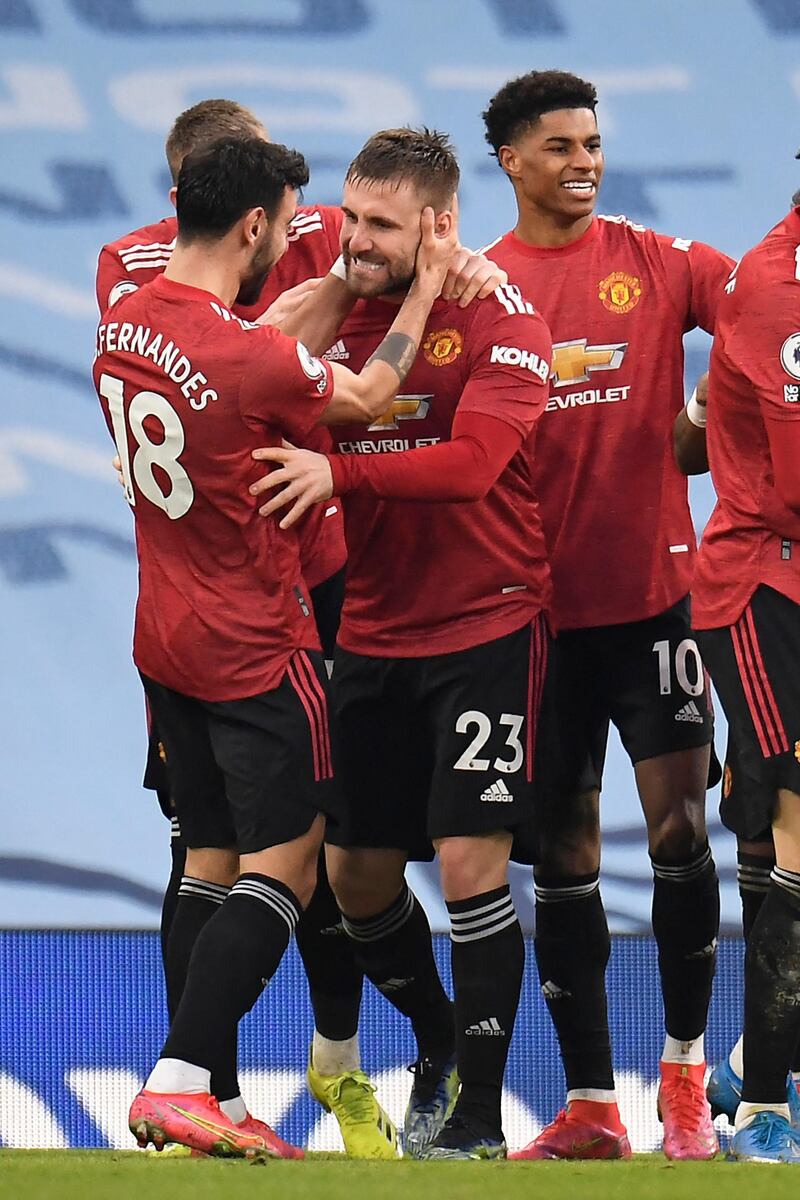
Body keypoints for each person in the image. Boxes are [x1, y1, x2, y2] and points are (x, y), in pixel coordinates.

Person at [97, 97, 506, 1158]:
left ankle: (222, 1100)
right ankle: (184, 1081)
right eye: (289, 221)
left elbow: (257, 341)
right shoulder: (248, 360)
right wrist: (419, 297)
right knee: (285, 865)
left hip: (162, 638)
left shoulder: (125, 318)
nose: (306, 234)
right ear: (249, 231)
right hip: (256, 640)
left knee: (204, 859)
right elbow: (365, 395)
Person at [249, 126, 553, 1162]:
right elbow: (257, 364)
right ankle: (435, 1040)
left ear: (438, 221)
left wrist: (346, 475)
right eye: (350, 216)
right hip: (369, 632)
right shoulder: (331, 313)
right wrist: (346, 288)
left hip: (486, 619)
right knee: (358, 880)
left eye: (380, 224)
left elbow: (472, 466)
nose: (355, 239)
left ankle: (474, 1120)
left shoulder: (504, 314)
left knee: (471, 860)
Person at [479, 70, 734, 1160]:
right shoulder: (476, 288)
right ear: (509, 162)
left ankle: (681, 1074)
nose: (582, 160)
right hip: (531, 618)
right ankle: (590, 1107)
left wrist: (704, 416)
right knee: (563, 856)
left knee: (680, 829)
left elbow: (768, 311)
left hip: (653, 601)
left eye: (591, 141)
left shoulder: (654, 261)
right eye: (558, 146)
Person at [678, 194, 800, 1160]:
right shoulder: (776, 286)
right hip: (766, 587)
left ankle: (756, 1062)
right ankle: (763, 1108)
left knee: (775, 835)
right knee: (795, 833)